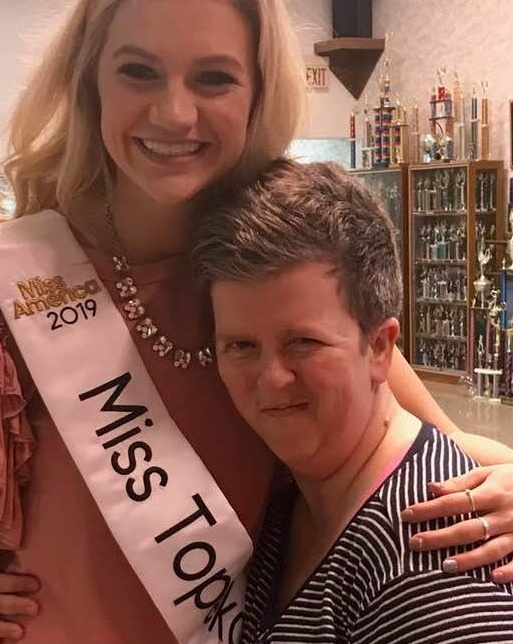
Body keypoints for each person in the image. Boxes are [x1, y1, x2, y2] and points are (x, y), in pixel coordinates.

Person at [0, 0, 513, 643]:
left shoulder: (274, 277)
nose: (175, 114)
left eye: (214, 78)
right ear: (88, 82)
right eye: (138, 71)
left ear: (257, 92)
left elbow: (435, 445)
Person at [192, 159, 513, 643]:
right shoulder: (288, 497)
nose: (272, 380)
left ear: (381, 347)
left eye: (303, 342)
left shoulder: (428, 568)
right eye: (240, 346)